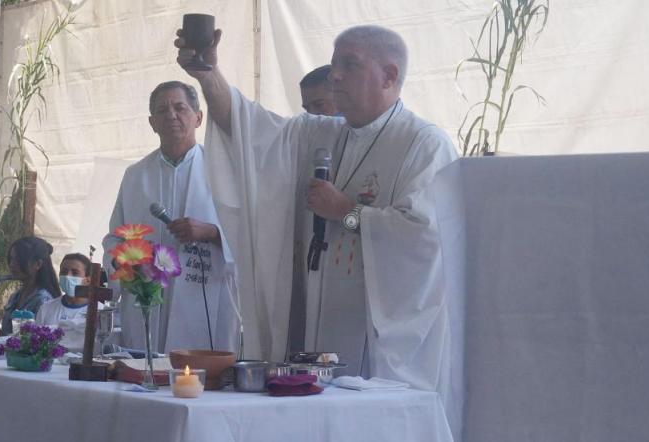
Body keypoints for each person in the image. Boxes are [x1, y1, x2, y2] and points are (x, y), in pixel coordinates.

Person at [176, 24, 457, 396]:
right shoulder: (321, 134)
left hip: (379, 343)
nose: (335, 75)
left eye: (349, 65)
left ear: (389, 75)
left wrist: (348, 212)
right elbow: (248, 129)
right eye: (333, 63)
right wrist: (208, 76)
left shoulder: (424, 144)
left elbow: (426, 237)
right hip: (313, 326)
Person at [102, 81, 238, 354]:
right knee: (146, 369)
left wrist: (211, 232)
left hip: (204, 292)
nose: (171, 116)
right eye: (162, 110)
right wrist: (124, 262)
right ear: (152, 122)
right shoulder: (135, 175)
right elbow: (115, 237)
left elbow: (249, 235)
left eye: (180, 108)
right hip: (147, 294)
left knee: (197, 376)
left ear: (198, 118)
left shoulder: (225, 170)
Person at [36, 253, 99, 352]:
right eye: (64, 272)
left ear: (87, 280)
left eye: (75, 272)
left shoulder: (99, 310)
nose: (67, 276)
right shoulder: (46, 308)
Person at [1, 236, 61, 335]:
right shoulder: (15, 296)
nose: (12, 264)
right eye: (11, 259)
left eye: (18, 260)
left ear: (38, 264)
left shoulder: (44, 300)